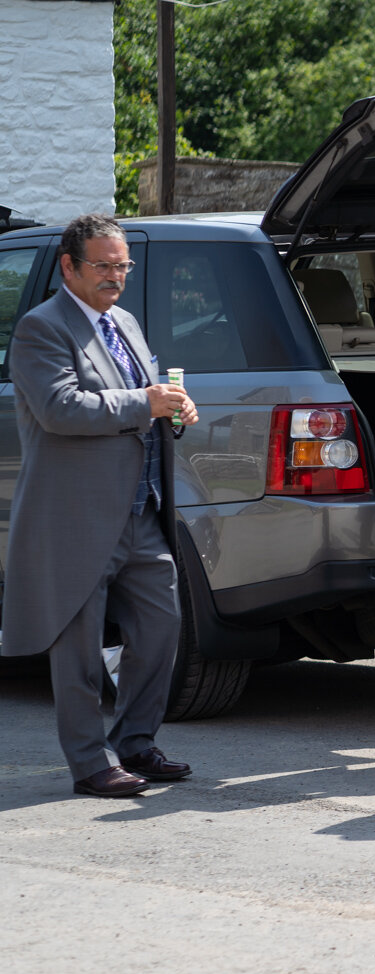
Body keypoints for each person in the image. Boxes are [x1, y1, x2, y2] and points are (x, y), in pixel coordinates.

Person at [2, 213, 200, 796]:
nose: (116, 277)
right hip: (76, 516)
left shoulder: (127, 323)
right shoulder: (43, 328)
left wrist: (175, 409)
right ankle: (90, 762)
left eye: (123, 266)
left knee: (162, 627)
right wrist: (145, 402)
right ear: (69, 265)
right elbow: (60, 408)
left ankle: (137, 742)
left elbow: (147, 399)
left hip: (141, 511)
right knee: (79, 647)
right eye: (104, 266)